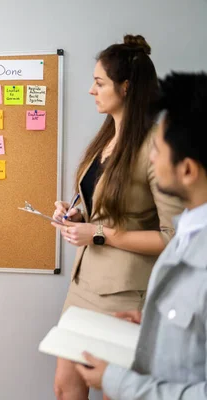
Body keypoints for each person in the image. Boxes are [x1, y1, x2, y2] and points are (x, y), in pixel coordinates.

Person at [51, 35, 183, 400]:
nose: (91, 90)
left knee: (115, 393)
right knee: (65, 388)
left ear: (125, 88)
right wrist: (77, 213)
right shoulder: (107, 137)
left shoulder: (157, 148)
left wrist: (99, 233)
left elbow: (174, 238)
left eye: (99, 83)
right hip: (82, 287)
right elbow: (104, 206)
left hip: (123, 297)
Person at [76, 71, 207, 400]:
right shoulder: (190, 236)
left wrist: (119, 383)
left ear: (187, 169)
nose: (150, 157)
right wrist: (156, 323)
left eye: (157, 150)